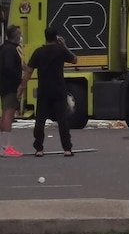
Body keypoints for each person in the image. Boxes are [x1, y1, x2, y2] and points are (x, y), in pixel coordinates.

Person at [19, 28, 77, 157]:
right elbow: (74, 60)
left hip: (44, 89)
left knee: (40, 119)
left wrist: (22, 86)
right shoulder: (61, 51)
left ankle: (39, 148)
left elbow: (29, 70)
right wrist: (64, 45)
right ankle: (67, 148)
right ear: (56, 37)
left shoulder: (39, 52)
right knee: (62, 120)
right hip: (59, 89)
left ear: (45, 37)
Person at [0, 25, 25, 157]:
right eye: (20, 34)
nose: (21, 37)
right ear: (15, 36)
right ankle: (6, 147)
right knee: (8, 114)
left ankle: (4, 146)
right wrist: (19, 80)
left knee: (5, 114)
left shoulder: (4, 48)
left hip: (4, 85)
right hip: (10, 86)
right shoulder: (11, 50)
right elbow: (9, 68)